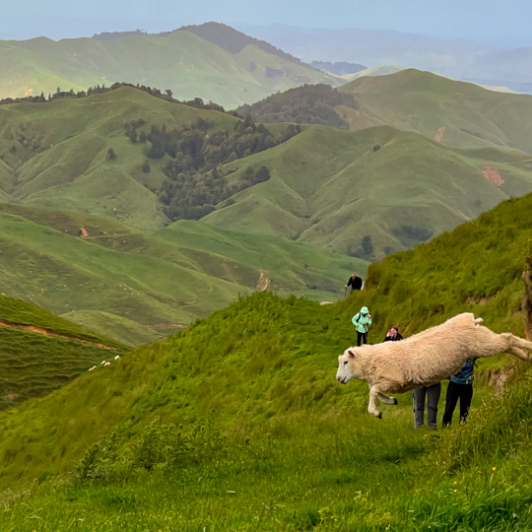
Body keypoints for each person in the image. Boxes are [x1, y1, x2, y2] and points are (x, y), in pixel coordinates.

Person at [442, 358, 477, 427]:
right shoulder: (455, 351)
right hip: (454, 383)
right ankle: (445, 425)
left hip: (467, 384)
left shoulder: (472, 353)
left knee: (465, 408)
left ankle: (462, 426)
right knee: (449, 406)